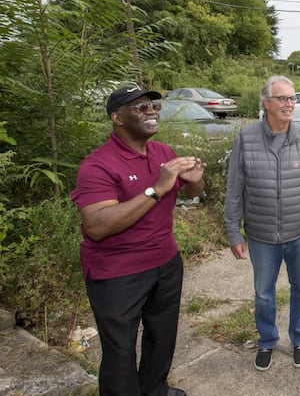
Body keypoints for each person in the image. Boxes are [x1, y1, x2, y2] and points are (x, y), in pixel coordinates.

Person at [71, 85, 206, 396]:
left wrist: (195, 182)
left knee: (162, 336)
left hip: (165, 263)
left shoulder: (164, 153)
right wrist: (156, 189)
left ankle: (155, 389)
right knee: (120, 351)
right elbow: (97, 226)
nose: (151, 112)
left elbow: (191, 194)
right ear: (117, 118)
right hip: (117, 273)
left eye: (153, 106)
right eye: (140, 107)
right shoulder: (97, 165)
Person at [224, 75, 300, 371]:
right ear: (266, 103)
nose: (289, 104)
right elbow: (235, 189)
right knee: (264, 294)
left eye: (293, 98)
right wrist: (233, 231)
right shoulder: (246, 138)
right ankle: (267, 340)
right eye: (282, 98)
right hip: (261, 236)